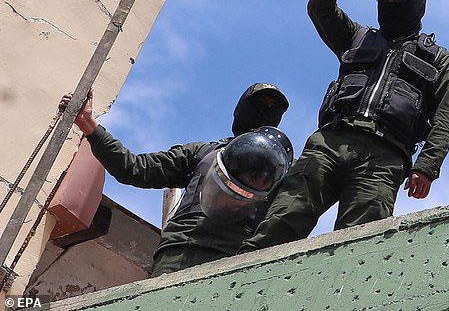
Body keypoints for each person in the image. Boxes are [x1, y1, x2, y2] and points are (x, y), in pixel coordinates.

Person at [241, 0, 449, 250]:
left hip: (384, 157)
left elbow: (445, 116)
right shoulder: (356, 36)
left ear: (417, 4)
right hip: (330, 142)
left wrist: (427, 166)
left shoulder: (438, 58)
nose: (391, 3)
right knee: (282, 219)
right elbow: (320, 7)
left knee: (355, 245)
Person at [66, 83, 291, 275]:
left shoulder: (280, 172)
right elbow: (134, 168)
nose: (266, 110)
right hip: (176, 256)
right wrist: (88, 124)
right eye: (260, 103)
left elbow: (289, 220)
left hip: (231, 263)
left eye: (273, 107)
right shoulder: (202, 153)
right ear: (242, 108)